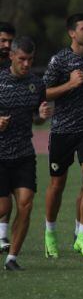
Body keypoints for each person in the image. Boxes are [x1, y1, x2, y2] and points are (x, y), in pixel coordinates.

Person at [43, 14, 83, 259]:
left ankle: (82, 236)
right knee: (57, 185)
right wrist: (69, 85)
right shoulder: (59, 60)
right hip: (62, 131)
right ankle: (49, 233)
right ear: (72, 33)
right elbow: (44, 93)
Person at [0, 37, 52, 270]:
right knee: (2, 209)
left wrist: (41, 114)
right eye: (22, 59)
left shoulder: (36, 83)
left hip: (23, 154)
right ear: (11, 56)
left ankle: (12, 257)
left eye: (30, 60)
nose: (26, 64)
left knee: (26, 204)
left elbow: (37, 115)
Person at [0, 21, 16, 253]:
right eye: (2, 40)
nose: (6, 45)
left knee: (7, 190)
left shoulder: (11, 67)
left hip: (10, 138)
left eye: (9, 42)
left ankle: (2, 235)